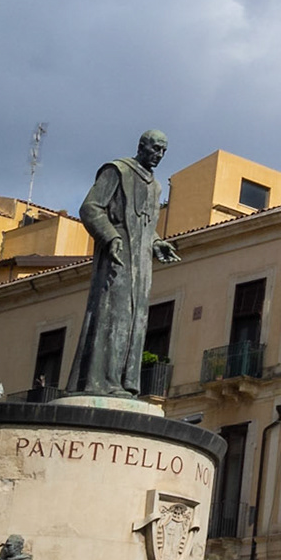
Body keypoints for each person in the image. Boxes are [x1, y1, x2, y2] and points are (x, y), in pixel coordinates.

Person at [68, 130, 179, 397]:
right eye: (155, 148)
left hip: (142, 264)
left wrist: (156, 242)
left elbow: (144, 224)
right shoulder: (117, 171)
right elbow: (90, 208)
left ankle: (124, 382)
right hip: (118, 255)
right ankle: (101, 382)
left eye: (163, 151)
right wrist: (110, 235)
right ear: (142, 146)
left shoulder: (155, 186)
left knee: (135, 320)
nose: (159, 155)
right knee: (112, 316)